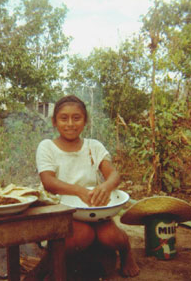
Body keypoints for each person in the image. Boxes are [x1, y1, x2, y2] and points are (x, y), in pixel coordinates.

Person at [36, 95, 140, 278]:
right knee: (83, 234)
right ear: (54, 122)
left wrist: (106, 187)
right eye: (63, 118)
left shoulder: (93, 146)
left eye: (76, 118)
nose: (70, 123)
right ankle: (55, 262)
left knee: (110, 236)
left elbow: (114, 174)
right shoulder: (47, 147)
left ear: (85, 121)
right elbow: (48, 182)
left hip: (93, 208)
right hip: (63, 211)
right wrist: (80, 191)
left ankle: (126, 253)